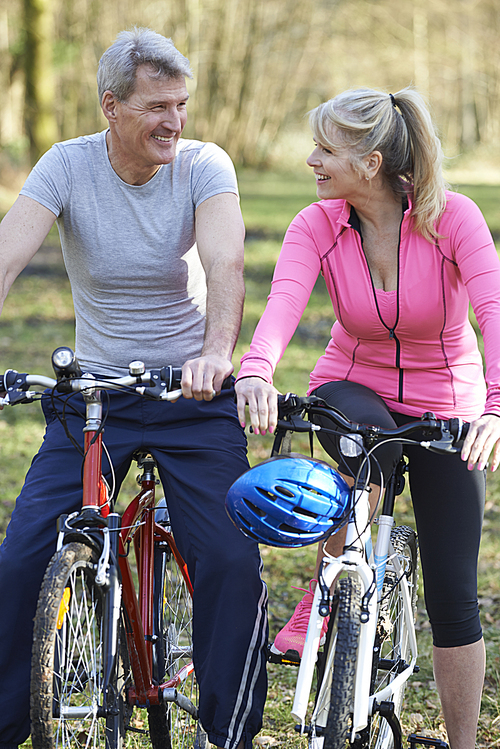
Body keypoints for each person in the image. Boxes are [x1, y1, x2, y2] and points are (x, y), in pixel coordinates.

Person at [0, 28, 267, 749]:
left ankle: (225, 731)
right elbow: (8, 252)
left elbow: (227, 259)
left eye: (181, 104)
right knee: (24, 553)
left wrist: (216, 353)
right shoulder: (67, 165)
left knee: (231, 558)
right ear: (111, 106)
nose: (174, 122)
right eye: (157, 106)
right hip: (95, 396)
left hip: (191, 395)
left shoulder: (204, 164)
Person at [235, 86, 500, 749]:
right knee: (366, 456)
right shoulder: (315, 225)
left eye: (326, 149)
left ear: (372, 163)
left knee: (454, 592)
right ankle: (333, 587)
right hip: (353, 384)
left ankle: (463, 742)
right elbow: (282, 305)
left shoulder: (454, 219)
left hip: (449, 401)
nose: (311, 160)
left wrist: (496, 409)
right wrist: (256, 371)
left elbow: (494, 314)